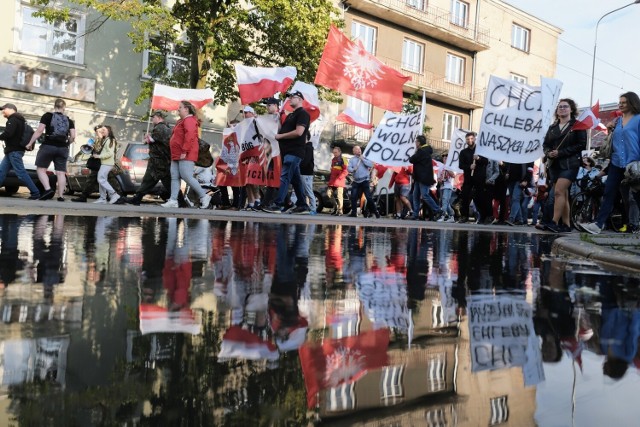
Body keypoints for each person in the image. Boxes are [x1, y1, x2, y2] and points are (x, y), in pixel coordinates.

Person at [581, 92, 640, 234]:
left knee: (637, 196)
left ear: (632, 103)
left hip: (633, 164)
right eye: (619, 102)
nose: (620, 104)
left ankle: (633, 224)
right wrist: (609, 129)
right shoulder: (618, 121)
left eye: (624, 102)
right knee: (609, 192)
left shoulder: (638, 119)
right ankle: (598, 224)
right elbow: (614, 141)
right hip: (616, 162)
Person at [543, 98, 587, 233]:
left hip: (570, 164)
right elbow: (545, 144)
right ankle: (567, 225)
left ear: (571, 109)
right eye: (560, 107)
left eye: (565, 106)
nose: (562, 108)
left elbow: (581, 144)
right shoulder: (552, 127)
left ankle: (554, 222)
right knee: (563, 194)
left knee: (558, 192)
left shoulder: (578, 125)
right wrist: (549, 153)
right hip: (554, 165)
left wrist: (560, 152)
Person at [263, 90, 310, 214]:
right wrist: (277, 120)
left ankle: (278, 204)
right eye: (289, 97)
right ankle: (303, 205)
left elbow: (299, 132)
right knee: (295, 179)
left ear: (300, 100)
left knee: (284, 176)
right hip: (286, 152)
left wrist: (280, 137)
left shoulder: (303, 114)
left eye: (292, 97)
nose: (289, 99)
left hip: (294, 151)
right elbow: (281, 130)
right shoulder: (290, 115)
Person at [125, 111, 184, 206]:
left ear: (159, 117)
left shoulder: (160, 127)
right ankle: (137, 198)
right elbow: (158, 141)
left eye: (153, 117)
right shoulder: (166, 128)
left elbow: (156, 140)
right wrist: (149, 138)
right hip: (162, 161)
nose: (152, 119)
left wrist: (148, 138)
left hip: (159, 161)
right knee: (149, 181)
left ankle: (181, 202)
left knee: (165, 182)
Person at [161, 101, 211, 209]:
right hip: (176, 154)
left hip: (185, 154)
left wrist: (184, 151)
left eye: (180, 107)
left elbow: (190, 137)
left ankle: (204, 196)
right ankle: (173, 200)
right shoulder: (181, 121)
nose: (178, 109)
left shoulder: (189, 120)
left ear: (186, 109)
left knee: (187, 176)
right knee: (174, 177)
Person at [26, 98, 75, 201]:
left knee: (41, 169)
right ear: (64, 108)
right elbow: (73, 136)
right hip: (63, 148)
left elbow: (39, 131)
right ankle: (61, 196)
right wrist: (67, 143)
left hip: (48, 146)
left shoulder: (47, 116)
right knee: (61, 173)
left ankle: (48, 189)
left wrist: (30, 143)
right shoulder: (69, 120)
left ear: (54, 106)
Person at [0, 103, 41, 199]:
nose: (2, 111)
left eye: (4, 109)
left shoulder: (13, 119)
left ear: (11, 109)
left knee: (21, 173)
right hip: (12, 151)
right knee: (1, 171)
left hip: (14, 151)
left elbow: (8, 134)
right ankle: (35, 192)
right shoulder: (21, 120)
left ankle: (35, 192)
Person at [409, 135, 443, 221]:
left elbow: (412, 159)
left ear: (419, 143)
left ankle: (438, 210)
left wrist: (415, 153)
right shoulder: (425, 151)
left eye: (416, 142)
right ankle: (416, 214)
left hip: (423, 177)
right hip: (419, 177)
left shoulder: (421, 151)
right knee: (415, 195)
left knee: (424, 195)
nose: (415, 143)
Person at [458, 132, 489, 223]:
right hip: (468, 178)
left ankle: (483, 217)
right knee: (465, 196)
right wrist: (469, 167)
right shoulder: (463, 152)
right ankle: (464, 216)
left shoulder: (480, 151)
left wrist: (478, 158)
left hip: (479, 178)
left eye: (471, 138)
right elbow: (460, 165)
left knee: (480, 197)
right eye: (468, 139)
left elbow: (486, 162)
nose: (470, 140)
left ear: (475, 139)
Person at [91, 125, 123, 204]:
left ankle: (114, 194)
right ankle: (102, 198)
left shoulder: (110, 140)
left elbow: (110, 153)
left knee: (101, 179)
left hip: (107, 163)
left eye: (104, 130)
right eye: (101, 130)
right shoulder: (107, 140)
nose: (102, 131)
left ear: (108, 131)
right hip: (105, 163)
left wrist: (99, 156)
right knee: (103, 180)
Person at [71, 125, 103, 202]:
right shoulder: (96, 140)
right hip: (98, 164)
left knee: (111, 181)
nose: (98, 133)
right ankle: (83, 196)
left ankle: (118, 196)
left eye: (100, 131)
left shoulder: (106, 140)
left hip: (105, 163)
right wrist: (90, 147)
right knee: (91, 180)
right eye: (97, 132)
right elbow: (89, 150)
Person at [347, 145, 380, 218]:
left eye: (359, 149)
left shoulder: (365, 157)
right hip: (356, 181)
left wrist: (363, 159)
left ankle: (376, 212)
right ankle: (354, 212)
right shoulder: (352, 160)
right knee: (353, 197)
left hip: (365, 180)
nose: (358, 150)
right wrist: (353, 169)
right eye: (356, 149)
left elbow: (371, 165)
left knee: (368, 197)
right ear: (353, 152)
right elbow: (348, 168)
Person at [505, 162, 534, 226]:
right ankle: (519, 219)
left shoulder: (527, 154)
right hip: (511, 179)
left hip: (520, 180)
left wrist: (526, 180)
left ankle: (511, 218)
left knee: (515, 199)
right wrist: (507, 172)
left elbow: (530, 168)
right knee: (513, 200)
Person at [327, 146, 349, 216]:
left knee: (339, 196)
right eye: (333, 152)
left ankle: (340, 210)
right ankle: (336, 208)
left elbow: (346, 171)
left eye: (335, 152)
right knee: (329, 194)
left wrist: (339, 178)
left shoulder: (343, 159)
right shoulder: (333, 159)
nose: (334, 154)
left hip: (339, 180)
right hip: (333, 180)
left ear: (339, 152)